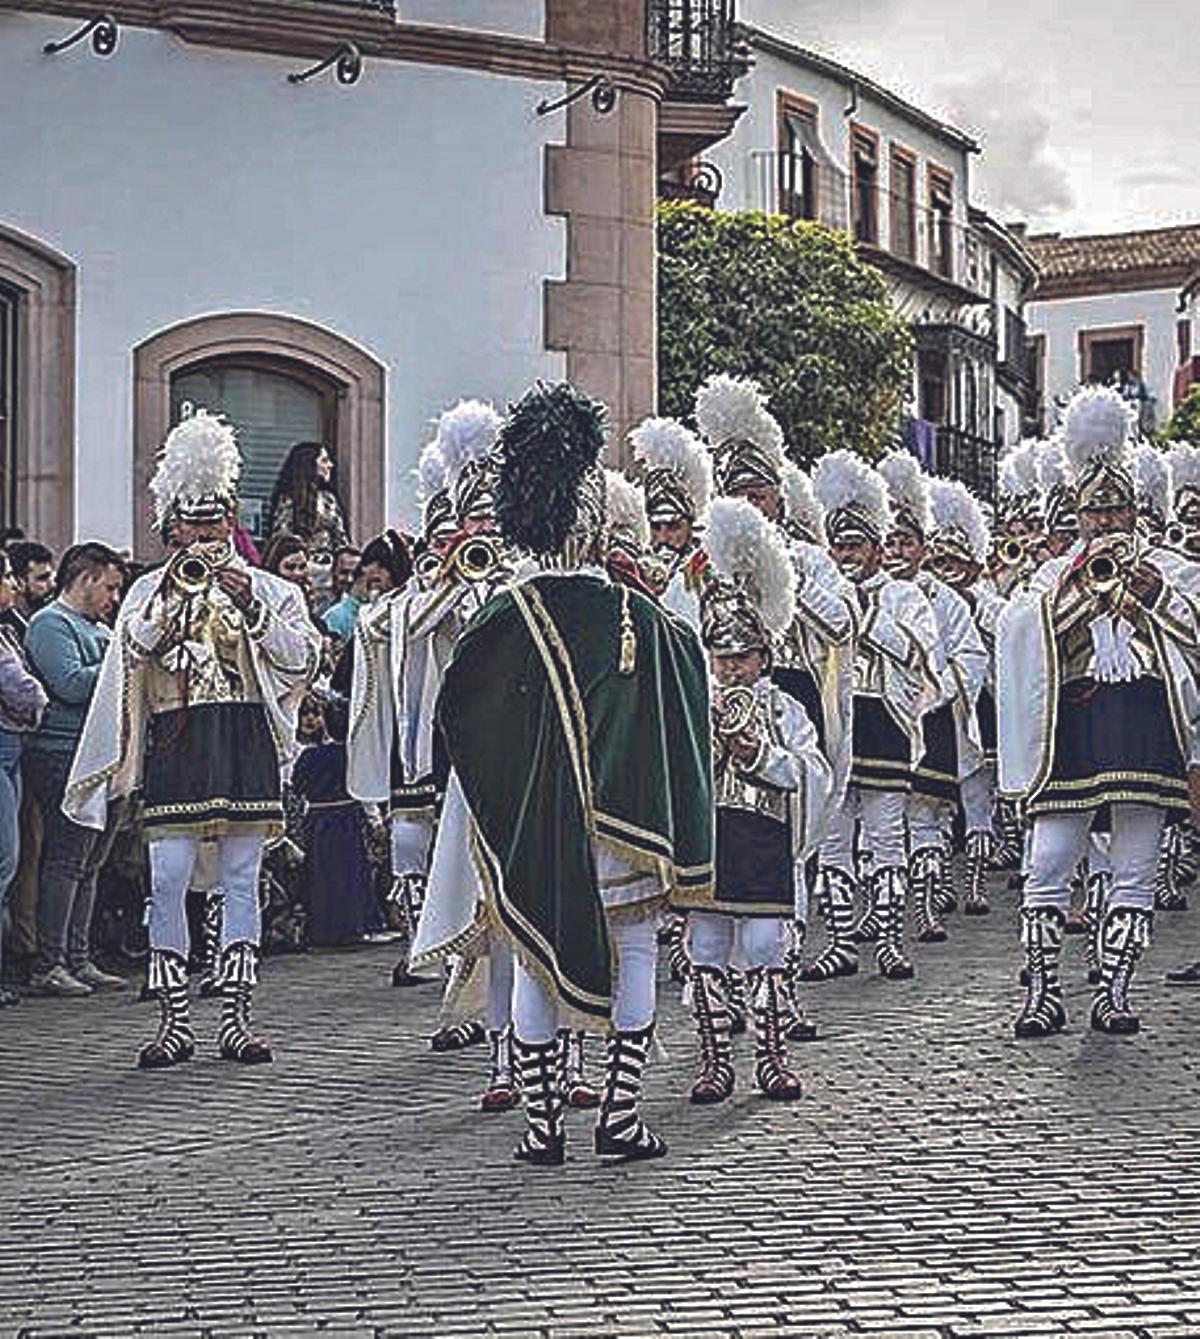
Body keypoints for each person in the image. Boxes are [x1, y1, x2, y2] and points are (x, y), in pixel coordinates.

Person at [432, 381, 713, 1166]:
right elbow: (689, 699)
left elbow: (457, 720)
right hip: (628, 830)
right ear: (592, 522)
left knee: (533, 955)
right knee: (635, 954)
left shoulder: (497, 619)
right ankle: (620, 1115)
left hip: (532, 830)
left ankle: (542, 1125)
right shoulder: (644, 618)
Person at [66, 407, 321, 1067]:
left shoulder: (268, 586)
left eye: (214, 522)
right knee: (168, 874)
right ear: (171, 526)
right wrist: (172, 613)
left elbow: (302, 660)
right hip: (177, 740)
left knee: (241, 875)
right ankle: (174, 1019)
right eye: (192, 524)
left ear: (230, 519)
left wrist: (250, 602)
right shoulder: (150, 588)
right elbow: (133, 651)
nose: (204, 535)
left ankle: (237, 1016)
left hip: (241, 737)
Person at [1000, 386, 1200, 1038]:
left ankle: (1113, 991)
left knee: (1136, 862)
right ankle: (1043, 989)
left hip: (1143, 720)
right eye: (1096, 514)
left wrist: (1156, 594)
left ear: (1138, 511)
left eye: (1118, 513)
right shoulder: (1055, 572)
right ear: (1080, 516)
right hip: (1075, 725)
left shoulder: (1172, 565)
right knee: (1050, 856)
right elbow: (1017, 632)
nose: (1107, 524)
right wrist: (1074, 599)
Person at [676, 496, 831, 1105]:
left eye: (742, 657)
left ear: (763, 657)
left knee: (767, 948)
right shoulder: (695, 703)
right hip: (711, 839)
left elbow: (812, 770)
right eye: (722, 658)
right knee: (707, 948)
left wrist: (758, 756)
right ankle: (715, 1062)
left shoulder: (785, 706)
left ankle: (771, 1055)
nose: (732, 668)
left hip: (765, 840)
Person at [803, 450, 939, 983]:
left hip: (883, 722)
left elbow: (917, 652)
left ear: (879, 550)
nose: (844, 555)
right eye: (837, 546)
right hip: (835, 723)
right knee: (833, 837)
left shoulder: (905, 594)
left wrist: (860, 614)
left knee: (885, 834)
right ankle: (838, 941)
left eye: (855, 545)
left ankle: (888, 939)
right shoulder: (823, 592)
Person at [878, 452, 986, 944]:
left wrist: (934, 689)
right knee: (877, 824)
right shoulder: (868, 593)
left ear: (922, 548)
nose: (897, 549)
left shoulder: (945, 599)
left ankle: (925, 911)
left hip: (930, 718)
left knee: (924, 819)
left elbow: (970, 656)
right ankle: (878, 917)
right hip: (878, 721)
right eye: (891, 540)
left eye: (906, 541)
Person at [24, 543, 128, 998]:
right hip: (62, 752)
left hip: (102, 753)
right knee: (67, 859)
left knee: (92, 862)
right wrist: (120, 657)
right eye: (109, 586)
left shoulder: (97, 628)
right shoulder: (50, 625)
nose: (113, 597)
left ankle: (79, 957)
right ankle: (50, 961)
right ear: (85, 579)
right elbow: (67, 684)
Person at [0, 550, 48, 1005]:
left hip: (13, 747)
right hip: (3, 746)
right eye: (8, 576)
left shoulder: (10, 629)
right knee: (4, 860)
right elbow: (23, 688)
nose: (13, 583)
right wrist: (39, 698)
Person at [267, 442, 350, 575]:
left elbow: (341, 539)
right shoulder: (289, 499)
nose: (330, 465)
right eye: (324, 460)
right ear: (309, 464)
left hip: (328, 571)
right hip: (298, 570)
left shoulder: (329, 499)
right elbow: (281, 539)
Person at [1, 541, 55, 640]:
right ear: (19, 582)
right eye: (42, 578)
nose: (52, 585)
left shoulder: (52, 620)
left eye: (51, 576)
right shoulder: (5, 628)